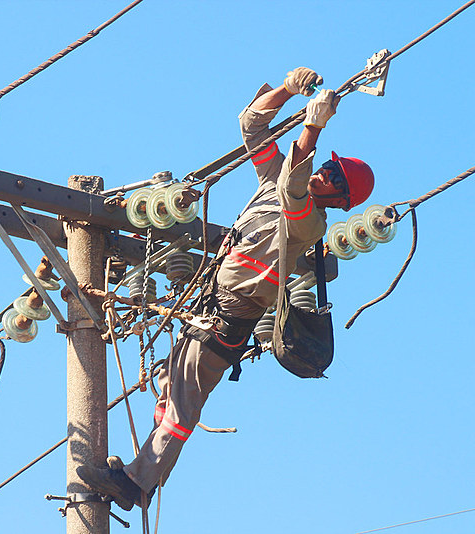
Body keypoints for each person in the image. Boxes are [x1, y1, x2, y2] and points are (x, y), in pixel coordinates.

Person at [77, 67, 375, 511]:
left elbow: (295, 188)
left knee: (182, 409)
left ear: (339, 198)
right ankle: (134, 475)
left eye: (333, 174)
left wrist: (312, 126)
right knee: (170, 387)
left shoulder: (309, 223)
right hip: (209, 305)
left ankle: (137, 485)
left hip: (229, 320)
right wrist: (288, 90)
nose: (324, 172)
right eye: (328, 165)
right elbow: (251, 124)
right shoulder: (274, 178)